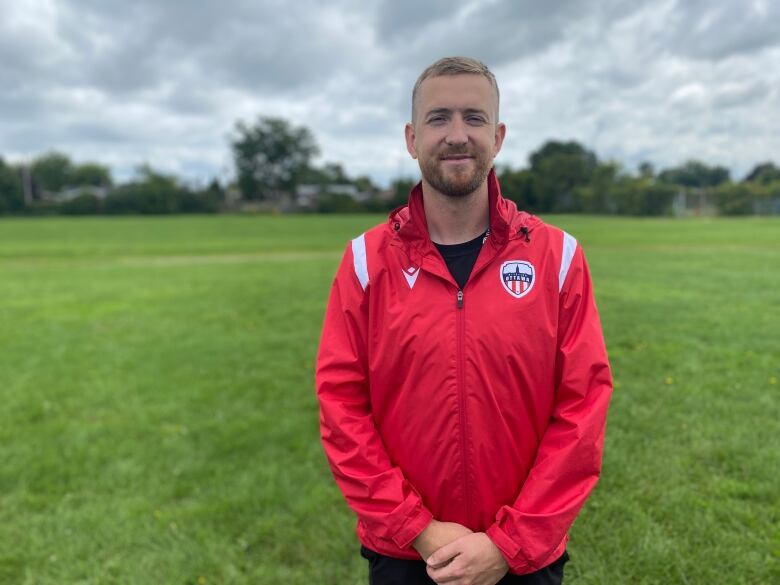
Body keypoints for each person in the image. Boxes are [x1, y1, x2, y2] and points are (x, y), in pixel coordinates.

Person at [315, 56, 612, 585]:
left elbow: (582, 411)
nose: (457, 135)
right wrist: (419, 527)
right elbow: (342, 409)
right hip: (408, 554)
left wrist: (509, 543)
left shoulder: (559, 257)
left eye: (474, 119)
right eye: (439, 118)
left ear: (497, 136)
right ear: (411, 138)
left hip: (523, 557)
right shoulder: (364, 261)